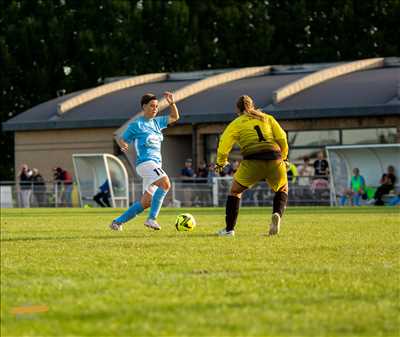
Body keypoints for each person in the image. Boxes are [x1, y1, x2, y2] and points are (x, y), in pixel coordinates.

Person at [215, 95, 289, 236]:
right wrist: (284, 157)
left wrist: (221, 162)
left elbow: (224, 146)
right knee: (283, 188)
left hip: (253, 161)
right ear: (252, 105)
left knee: (235, 192)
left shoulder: (236, 123)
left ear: (238, 109)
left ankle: (229, 229)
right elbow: (282, 137)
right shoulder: (267, 118)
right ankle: (277, 214)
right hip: (275, 158)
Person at [110, 91, 179, 231]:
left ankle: (117, 222)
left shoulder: (157, 122)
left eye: (157, 106)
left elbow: (174, 117)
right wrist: (123, 143)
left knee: (146, 202)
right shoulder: (137, 125)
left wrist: (172, 103)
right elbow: (122, 138)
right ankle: (152, 219)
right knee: (165, 183)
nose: (155, 108)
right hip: (145, 163)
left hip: (155, 165)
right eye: (152, 106)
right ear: (144, 107)